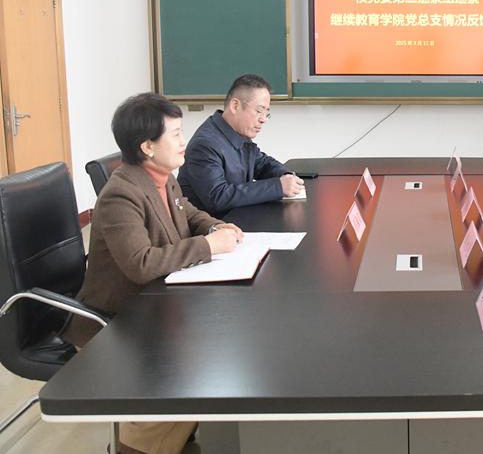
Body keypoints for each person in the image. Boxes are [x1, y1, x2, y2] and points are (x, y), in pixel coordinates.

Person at [62, 93, 243, 454]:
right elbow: (140, 263)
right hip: (118, 320)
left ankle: (175, 437)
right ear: (147, 146)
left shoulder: (163, 176)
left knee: (212, 355)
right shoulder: (121, 195)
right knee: (193, 372)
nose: (183, 141)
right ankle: (136, 446)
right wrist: (209, 246)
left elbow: (187, 212)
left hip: (157, 306)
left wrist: (216, 226)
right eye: (175, 134)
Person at [178, 74, 304, 217]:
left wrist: (285, 175)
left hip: (237, 220)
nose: (263, 119)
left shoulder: (237, 133)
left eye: (266, 113)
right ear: (235, 106)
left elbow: (262, 163)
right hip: (212, 227)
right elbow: (218, 197)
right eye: (259, 111)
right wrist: (278, 187)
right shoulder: (205, 145)